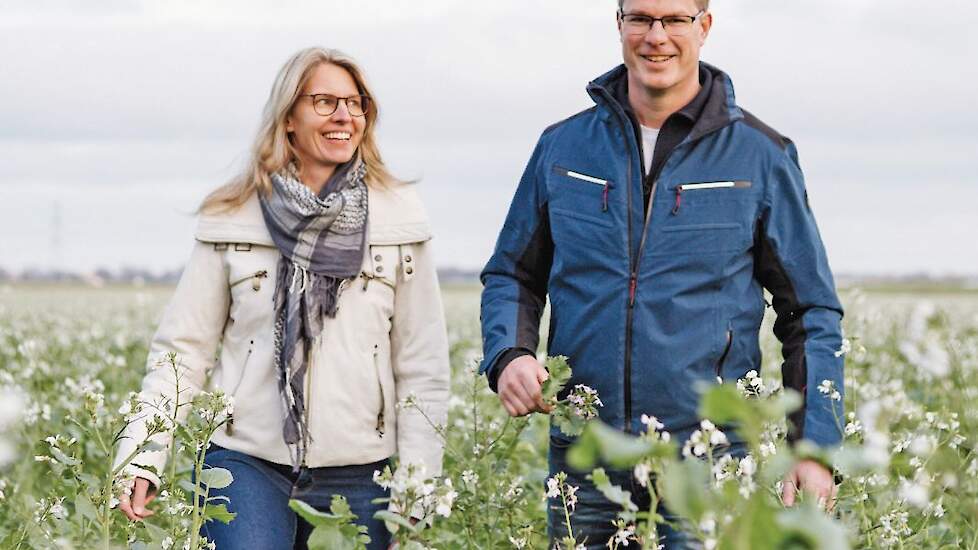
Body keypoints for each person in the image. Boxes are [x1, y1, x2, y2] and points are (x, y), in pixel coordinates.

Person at [479, 0, 844, 547]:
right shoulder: (562, 146)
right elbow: (513, 275)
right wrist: (509, 354)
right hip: (585, 458)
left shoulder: (760, 156)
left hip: (707, 462)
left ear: (705, 27)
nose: (657, 36)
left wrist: (813, 448)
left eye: (675, 19)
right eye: (640, 19)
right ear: (619, 25)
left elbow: (810, 311)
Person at [113, 47, 450, 550]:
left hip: (360, 473)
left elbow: (423, 365)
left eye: (355, 104)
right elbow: (183, 351)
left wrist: (416, 492)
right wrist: (143, 453)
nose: (344, 116)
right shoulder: (231, 216)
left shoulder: (400, 220)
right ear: (288, 118)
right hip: (246, 463)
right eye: (324, 102)